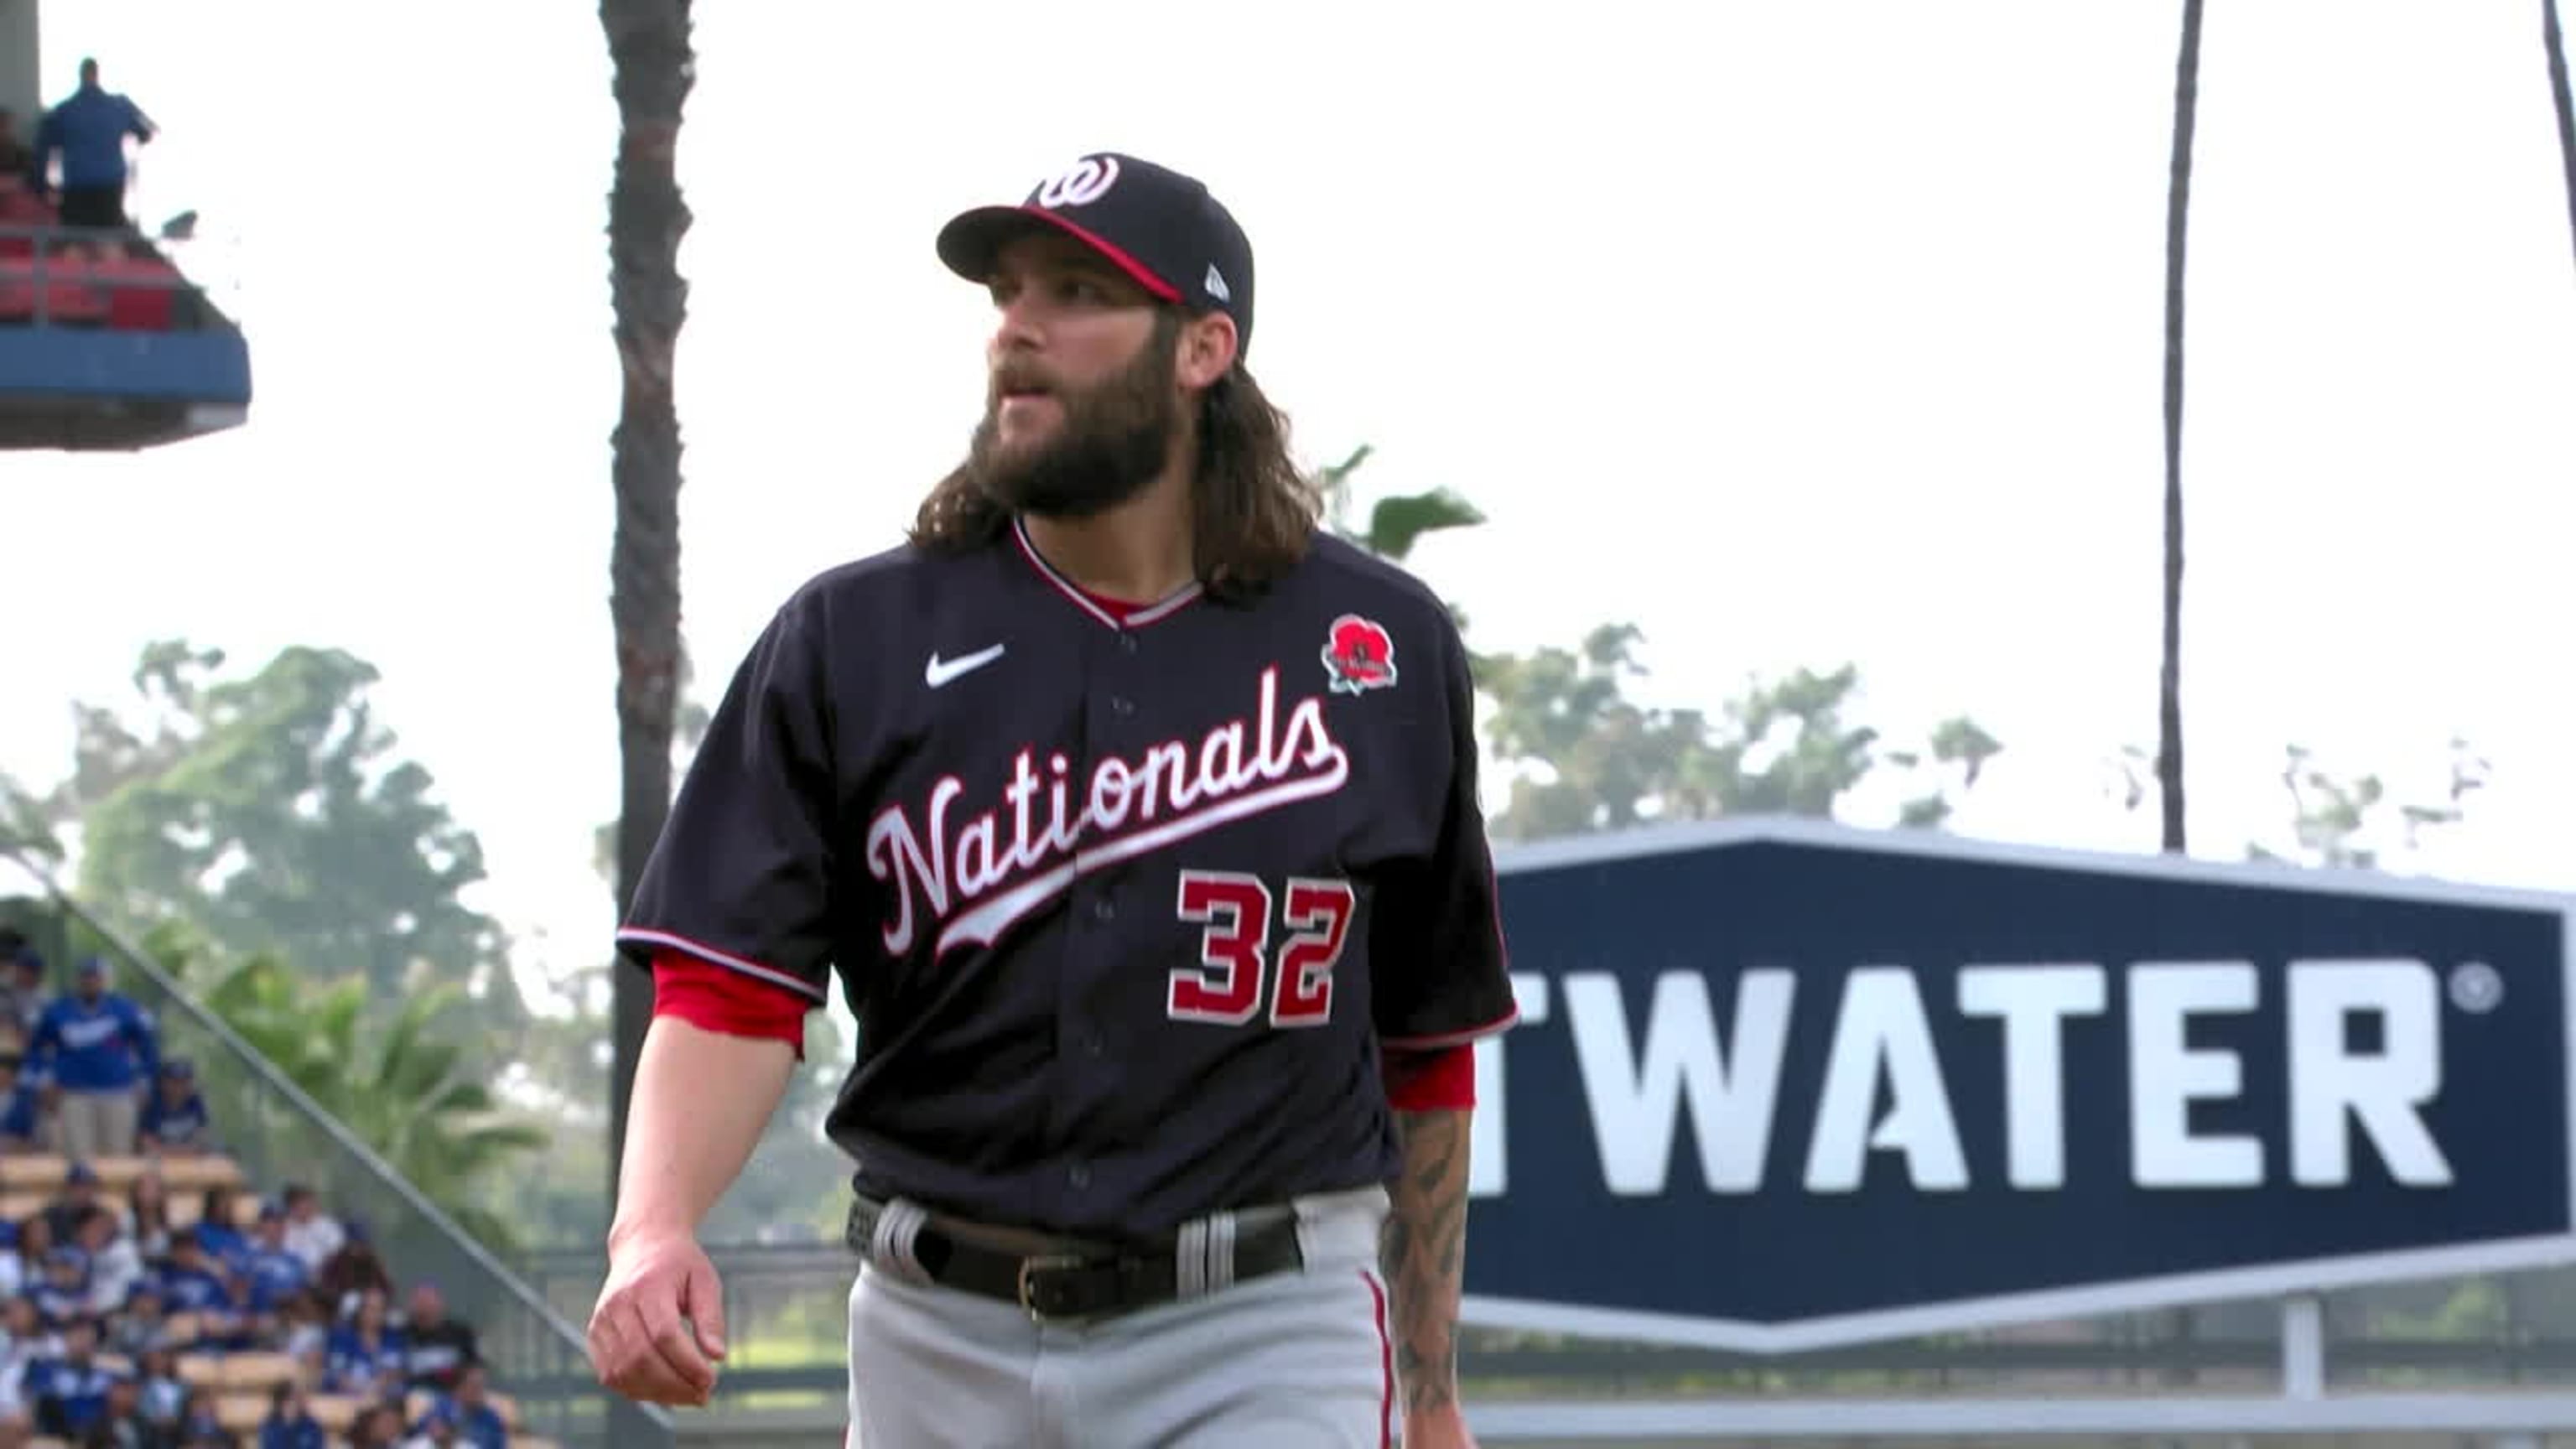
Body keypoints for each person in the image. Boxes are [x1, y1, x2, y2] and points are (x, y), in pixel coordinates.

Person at [584, 151, 1519, 1447]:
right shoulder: (856, 636)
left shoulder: (1378, 645)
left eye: (1079, 292)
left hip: (1260, 1326)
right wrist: (653, 1229)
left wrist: (1430, 1392)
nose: (1020, 325)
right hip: (934, 1330)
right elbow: (731, 989)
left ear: (1203, 349)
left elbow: (1424, 1047)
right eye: (1008, 291)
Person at [26, 958, 158, 1162]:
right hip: (74, 1094)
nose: (90, 982)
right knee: (79, 1160)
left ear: (105, 980)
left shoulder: (125, 1009)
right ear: (78, 979)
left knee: (118, 1157)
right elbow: (36, 1048)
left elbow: (148, 1048)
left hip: (118, 1093)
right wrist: (44, 1081)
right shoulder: (58, 1010)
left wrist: (144, 1082)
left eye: (96, 977)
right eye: (86, 977)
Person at [29, 60, 154, 233]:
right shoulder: (120, 106)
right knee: (110, 238)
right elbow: (147, 132)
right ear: (97, 75)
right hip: (110, 186)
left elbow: (42, 151)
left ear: (80, 76)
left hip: (76, 187)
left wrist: (41, 187)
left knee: (74, 240)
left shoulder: (63, 111)